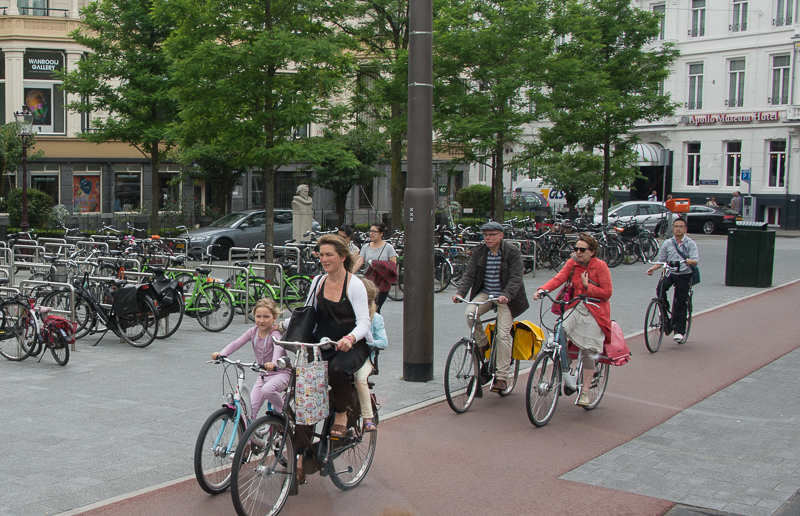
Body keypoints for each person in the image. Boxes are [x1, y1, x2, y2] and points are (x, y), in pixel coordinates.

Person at [291, 234, 372, 483]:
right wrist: (279, 326)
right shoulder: (317, 282)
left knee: (337, 369)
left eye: (329, 255)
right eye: (321, 254)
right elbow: (307, 315)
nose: (323, 259)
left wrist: (350, 338)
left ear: (342, 257)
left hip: (352, 345)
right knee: (305, 396)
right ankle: (301, 457)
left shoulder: (354, 284)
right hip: (324, 344)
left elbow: (365, 324)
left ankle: (341, 414)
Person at [533, 233, 613, 407]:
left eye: (582, 249)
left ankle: (584, 393)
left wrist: (587, 287)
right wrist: (542, 290)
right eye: (576, 249)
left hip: (595, 309)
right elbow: (559, 278)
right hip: (575, 306)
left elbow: (607, 293)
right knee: (560, 328)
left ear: (592, 252)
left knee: (588, 349)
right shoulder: (573, 264)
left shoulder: (600, 267)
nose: (578, 252)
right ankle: (566, 362)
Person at [453, 221, 529, 393]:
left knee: (503, 335)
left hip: (506, 297)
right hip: (486, 293)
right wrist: (460, 293)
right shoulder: (480, 251)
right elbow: (470, 274)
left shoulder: (512, 252)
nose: (487, 238)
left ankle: (502, 377)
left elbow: (516, 278)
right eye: (485, 235)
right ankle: (483, 343)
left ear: (501, 235)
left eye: (492, 235)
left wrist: (506, 295)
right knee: (470, 314)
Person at [211, 298, 290, 415]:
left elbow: (278, 348)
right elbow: (237, 343)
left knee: (268, 390)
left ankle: (285, 414)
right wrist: (222, 354)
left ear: (274, 318)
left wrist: (273, 363)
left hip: (280, 373)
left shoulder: (275, 333)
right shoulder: (253, 332)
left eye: (266, 317)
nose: (262, 320)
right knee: (250, 410)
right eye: (258, 316)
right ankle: (250, 432)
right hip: (263, 374)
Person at [646, 217, 699, 343]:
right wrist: (653, 268)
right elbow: (662, 259)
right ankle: (664, 310)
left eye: (681, 227)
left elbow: (696, 260)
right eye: (676, 226)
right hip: (671, 272)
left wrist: (689, 261)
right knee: (660, 289)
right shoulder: (668, 243)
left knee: (681, 302)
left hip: (684, 274)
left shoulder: (690, 243)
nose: (678, 229)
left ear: (685, 229)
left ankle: (680, 331)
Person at [354, 278, 387, 433]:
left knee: (360, 378)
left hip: (366, 359)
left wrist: (369, 343)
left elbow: (383, 342)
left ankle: (368, 418)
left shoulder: (376, 318)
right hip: (350, 356)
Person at [354, 222, 398, 312]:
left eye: (374, 231)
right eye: (370, 231)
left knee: (376, 309)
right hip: (369, 282)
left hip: (382, 283)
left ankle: (377, 326)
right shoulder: (366, 247)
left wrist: (379, 265)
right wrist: (349, 274)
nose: (371, 234)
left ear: (381, 234)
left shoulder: (388, 247)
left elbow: (393, 265)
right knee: (367, 309)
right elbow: (359, 262)